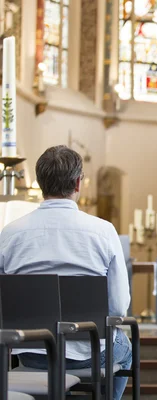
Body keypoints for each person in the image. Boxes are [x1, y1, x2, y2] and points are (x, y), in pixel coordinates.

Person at [0, 145, 131, 400]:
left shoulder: (9, 233)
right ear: (79, 182)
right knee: (127, 348)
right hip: (92, 351)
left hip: (31, 352)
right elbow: (117, 307)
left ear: (40, 183)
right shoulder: (103, 231)